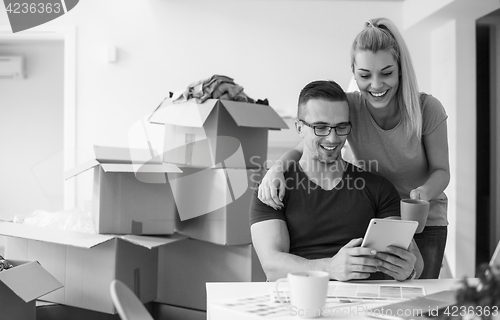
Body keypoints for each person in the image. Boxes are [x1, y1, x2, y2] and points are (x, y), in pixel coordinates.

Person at [258, 18, 449, 279]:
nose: (376, 85)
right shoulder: (349, 108)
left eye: (386, 73)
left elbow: (441, 170)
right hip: (377, 210)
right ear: (354, 72)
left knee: (417, 287)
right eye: (364, 75)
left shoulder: (427, 109)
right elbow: (307, 141)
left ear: (400, 69)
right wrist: (276, 169)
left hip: (421, 212)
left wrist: (422, 194)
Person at [250, 80, 423, 282]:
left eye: (341, 127)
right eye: (320, 127)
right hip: (302, 301)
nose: (332, 138)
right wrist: (330, 267)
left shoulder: (378, 188)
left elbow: (415, 262)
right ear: (299, 128)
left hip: (366, 305)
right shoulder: (273, 189)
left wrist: (408, 271)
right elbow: (272, 266)